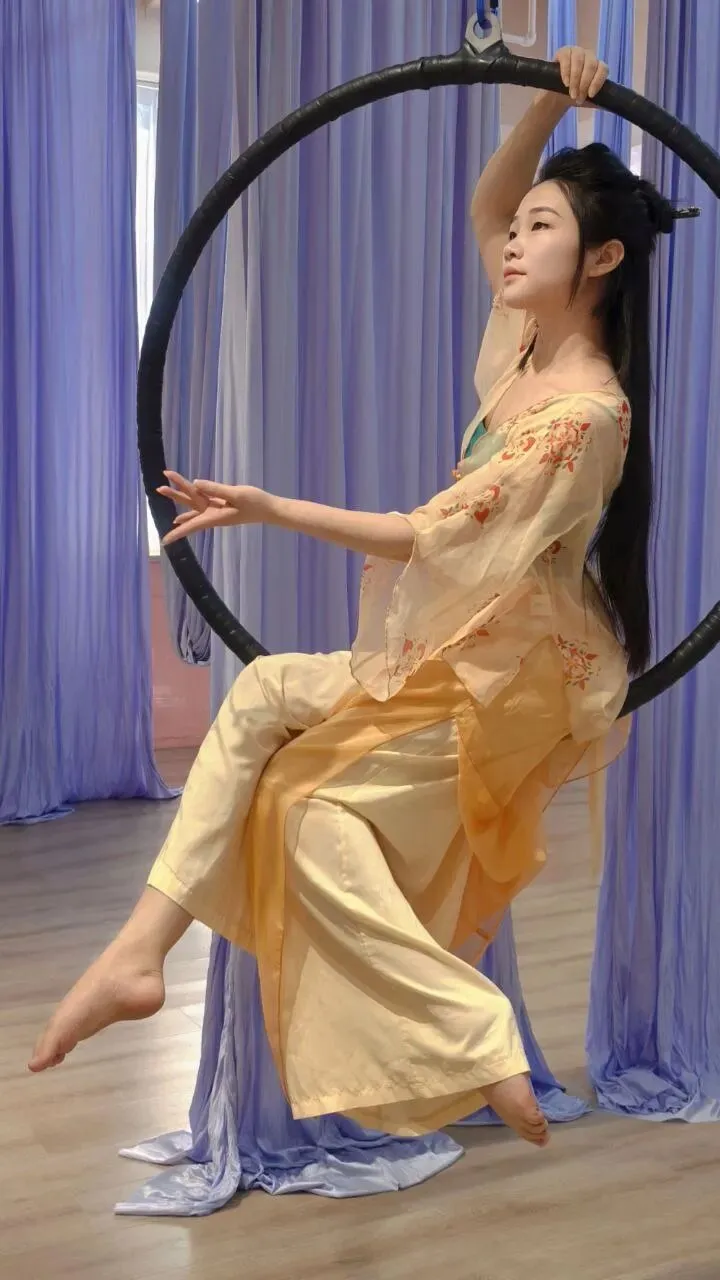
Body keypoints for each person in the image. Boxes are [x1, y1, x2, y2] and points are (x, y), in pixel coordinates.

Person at [29, 47, 672, 1150]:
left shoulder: (586, 417)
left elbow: (432, 534)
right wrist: (545, 101)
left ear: (603, 257)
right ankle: (140, 950)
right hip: (465, 649)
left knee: (310, 810)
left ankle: (471, 1031)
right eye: (522, 229)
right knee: (266, 701)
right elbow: (487, 207)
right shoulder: (523, 350)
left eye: (544, 229)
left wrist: (264, 505)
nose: (514, 242)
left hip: (510, 680)